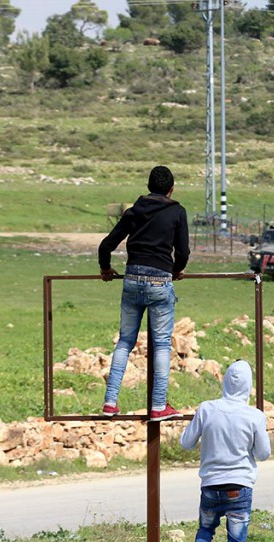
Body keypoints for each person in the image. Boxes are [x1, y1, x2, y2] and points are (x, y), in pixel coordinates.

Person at [177, 360, 271, 542]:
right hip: (239, 489)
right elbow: (263, 454)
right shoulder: (254, 415)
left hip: (210, 487)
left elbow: (185, 443)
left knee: (206, 530)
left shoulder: (207, 409)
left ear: (225, 382)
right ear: (248, 386)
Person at [99, 165, 190, 422]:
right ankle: (158, 406)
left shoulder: (134, 212)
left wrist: (105, 268)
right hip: (160, 281)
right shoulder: (177, 212)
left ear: (149, 187)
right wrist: (175, 270)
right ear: (171, 190)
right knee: (161, 345)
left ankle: (110, 402)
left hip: (131, 279)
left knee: (125, 342)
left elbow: (106, 245)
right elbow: (183, 252)